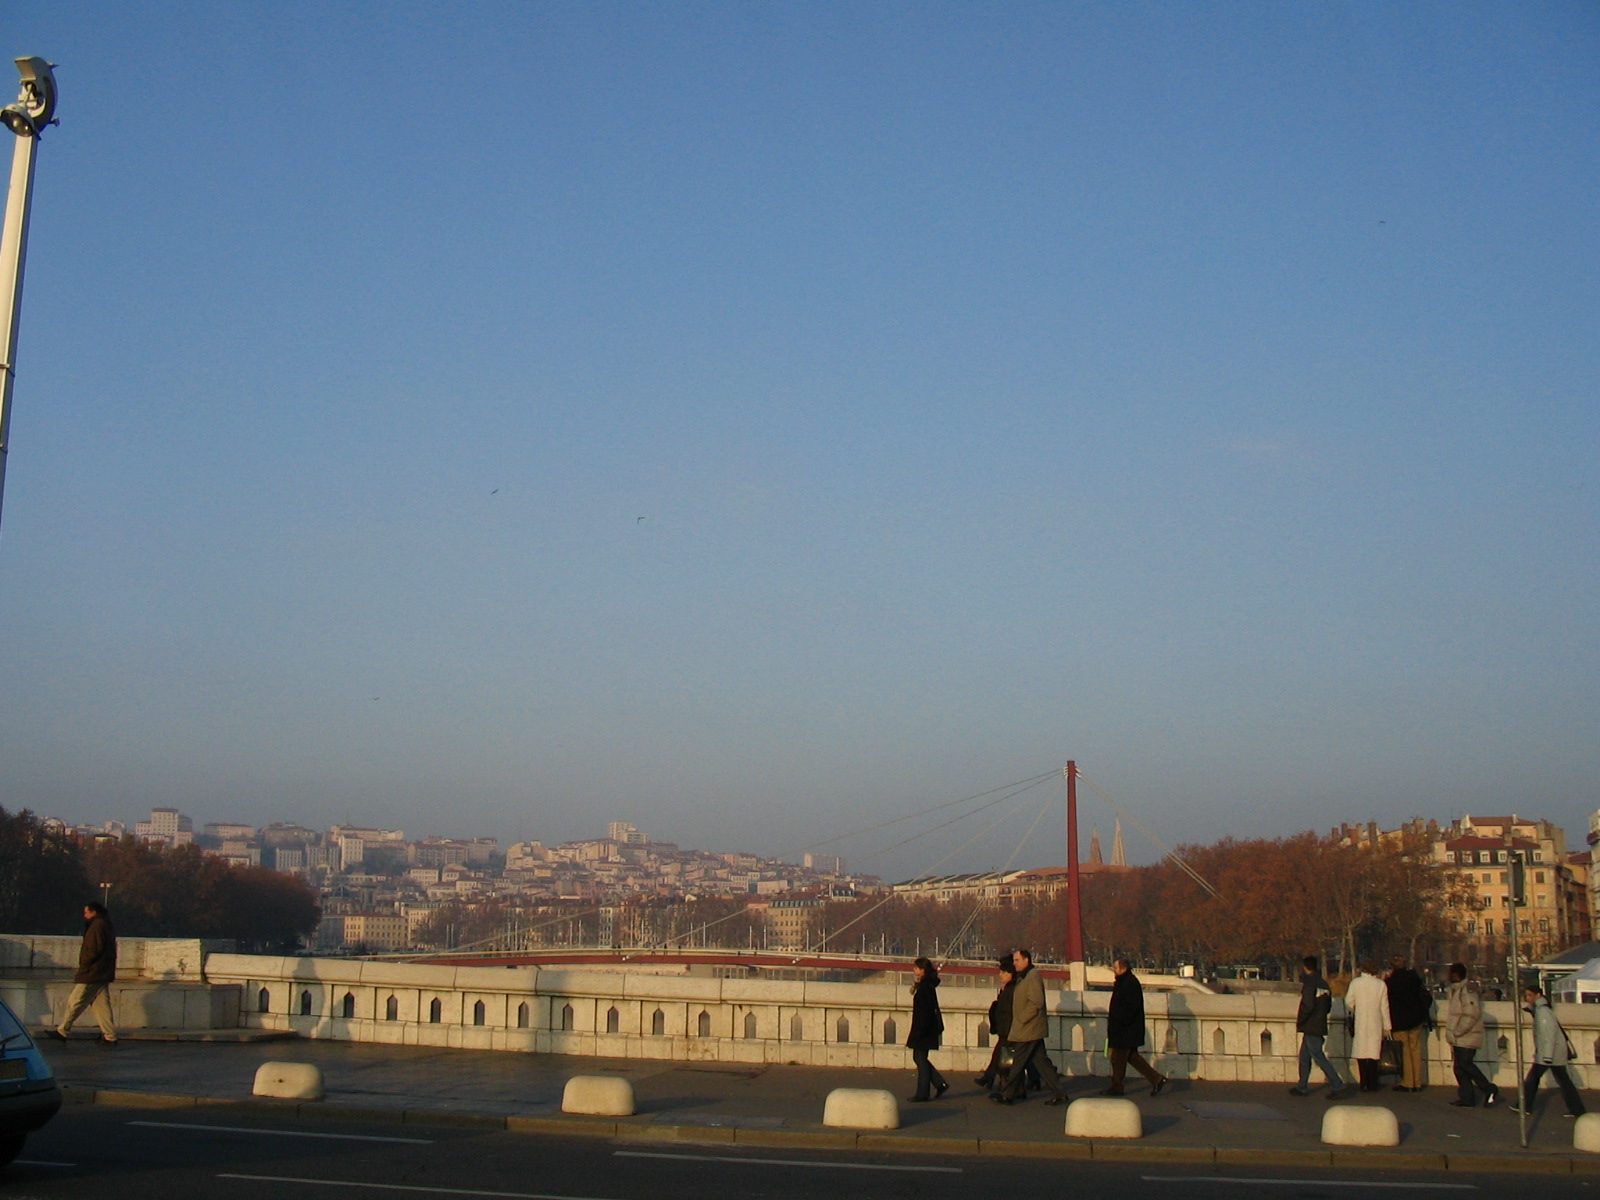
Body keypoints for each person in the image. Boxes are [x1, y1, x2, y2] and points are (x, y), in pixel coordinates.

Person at [992, 947, 1066, 1106]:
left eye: (1017, 960)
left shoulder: (1032, 977)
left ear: (1027, 960)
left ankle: (1007, 1094)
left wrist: (1021, 1019)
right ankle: (1059, 1093)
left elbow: (1036, 1002)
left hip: (1029, 1028)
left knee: (1018, 1062)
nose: (1014, 963)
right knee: (1042, 1063)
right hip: (1031, 1027)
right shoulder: (1025, 976)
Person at [47, 901, 118, 1045]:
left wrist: (84, 965)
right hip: (102, 972)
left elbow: (92, 950)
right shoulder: (106, 924)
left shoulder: (97, 926)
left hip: (92, 972)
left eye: (86, 912)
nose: (84, 915)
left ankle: (62, 1030)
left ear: (94, 912)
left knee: (75, 1001)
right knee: (102, 1006)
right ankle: (110, 1036)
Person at [1513, 984, 1585, 1118]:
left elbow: (1548, 1035)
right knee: (1563, 1081)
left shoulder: (1543, 1012)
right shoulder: (1542, 1009)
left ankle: (1525, 1105)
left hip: (1548, 1054)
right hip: (1551, 1053)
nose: (1527, 998)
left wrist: (1547, 1056)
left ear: (1538, 995)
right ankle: (1577, 1109)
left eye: (1529, 995)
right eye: (1526, 995)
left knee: (1533, 1079)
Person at [1289, 955, 1352, 1098]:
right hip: (1319, 1022)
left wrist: (1302, 1020)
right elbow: (1328, 1007)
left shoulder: (1309, 984)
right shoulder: (1324, 984)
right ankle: (1302, 1086)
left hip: (1310, 1024)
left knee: (1318, 1056)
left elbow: (1308, 1005)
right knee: (1305, 1056)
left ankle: (1337, 1085)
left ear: (1305, 967)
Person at [1103, 958, 1168, 1096]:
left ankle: (1117, 1087)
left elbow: (1130, 1008)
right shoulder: (1127, 982)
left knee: (1118, 1059)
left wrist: (1119, 1023)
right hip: (1126, 1029)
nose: (1113, 970)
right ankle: (1157, 1079)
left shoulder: (1128, 983)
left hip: (1124, 1030)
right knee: (1133, 1058)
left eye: (1115, 968)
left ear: (1123, 969)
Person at [975, 957, 1039, 1093]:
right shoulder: (1011, 987)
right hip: (1009, 1028)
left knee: (1009, 1057)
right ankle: (1028, 1082)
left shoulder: (1014, 989)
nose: (1000, 975)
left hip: (1010, 1029)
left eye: (1003, 972)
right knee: (1024, 1056)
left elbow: (1013, 1010)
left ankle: (1004, 1084)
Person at [1442, 962, 1498, 1108]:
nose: (1448, 976)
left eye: (1450, 973)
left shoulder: (1466, 991)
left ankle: (1488, 1088)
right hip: (1460, 1037)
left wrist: (1457, 1031)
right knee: (1460, 1068)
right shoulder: (1456, 990)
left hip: (1466, 1036)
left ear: (1456, 975)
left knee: (1465, 1065)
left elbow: (1471, 1014)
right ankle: (1467, 1098)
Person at [1385, 955, 1432, 1091]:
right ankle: (1417, 1082)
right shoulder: (1414, 978)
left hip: (1400, 1020)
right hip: (1416, 1018)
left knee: (1404, 1050)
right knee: (1415, 1049)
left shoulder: (1391, 982)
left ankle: (1408, 1082)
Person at [905, 956, 948, 1101]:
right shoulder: (927, 985)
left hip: (924, 1029)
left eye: (916, 968)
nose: (914, 970)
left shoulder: (925, 988)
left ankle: (923, 1093)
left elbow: (925, 1011)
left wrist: (919, 1031)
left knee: (920, 1059)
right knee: (920, 1058)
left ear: (923, 970)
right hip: (926, 1029)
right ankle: (939, 1083)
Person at [1345, 960, 1391, 1092]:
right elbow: (1384, 1007)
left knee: (1361, 1053)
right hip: (1376, 1022)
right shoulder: (1381, 984)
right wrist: (1387, 1026)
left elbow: (1348, 1002)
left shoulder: (1356, 983)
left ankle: (1363, 1082)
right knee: (1373, 1054)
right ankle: (1373, 1083)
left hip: (1361, 1022)